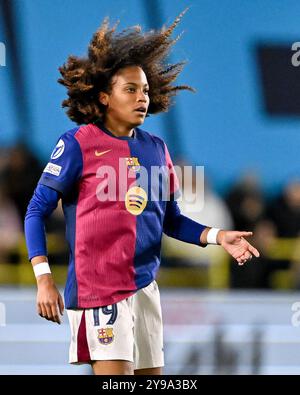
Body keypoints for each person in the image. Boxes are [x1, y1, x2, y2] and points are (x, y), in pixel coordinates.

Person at [24, 10, 260, 376]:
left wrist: (217, 236)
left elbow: (171, 220)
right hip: (98, 289)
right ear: (103, 97)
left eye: (146, 90)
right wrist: (43, 278)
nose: (142, 98)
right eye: (130, 89)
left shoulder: (156, 149)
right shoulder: (77, 144)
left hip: (146, 288)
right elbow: (36, 210)